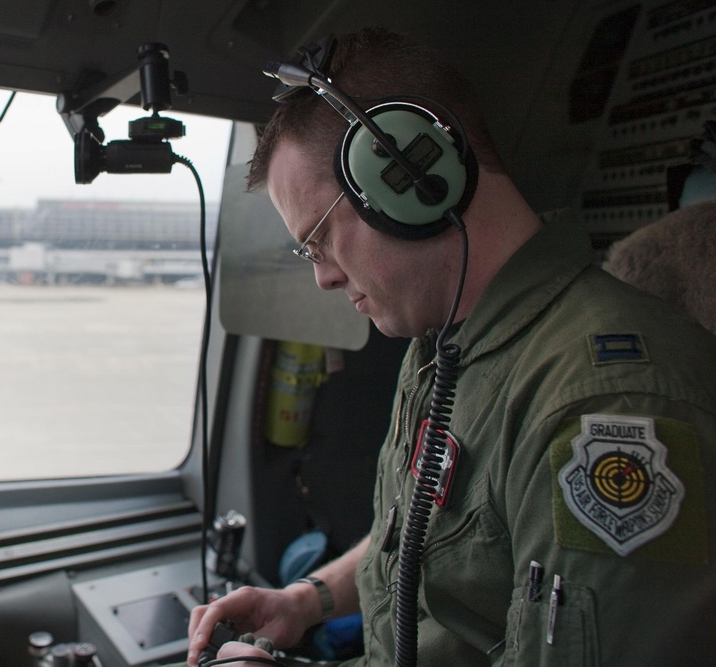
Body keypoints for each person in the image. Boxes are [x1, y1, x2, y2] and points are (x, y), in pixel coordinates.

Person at [186, 26, 716, 666]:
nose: (322, 275)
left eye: (320, 238)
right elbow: (436, 542)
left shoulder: (607, 410)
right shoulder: (447, 344)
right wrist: (308, 599)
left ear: (411, 177)